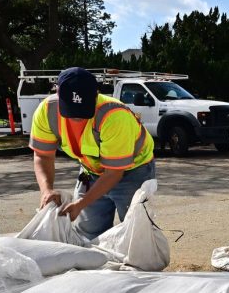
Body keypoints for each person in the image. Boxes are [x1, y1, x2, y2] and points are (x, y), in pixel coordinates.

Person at [28, 67, 156, 239]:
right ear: (57, 94)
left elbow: (114, 172)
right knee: (88, 234)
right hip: (91, 172)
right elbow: (43, 156)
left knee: (135, 231)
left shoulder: (114, 116)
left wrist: (81, 203)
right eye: (70, 109)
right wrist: (46, 190)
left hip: (133, 171)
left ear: (96, 95)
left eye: (83, 110)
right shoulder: (46, 112)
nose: (77, 117)